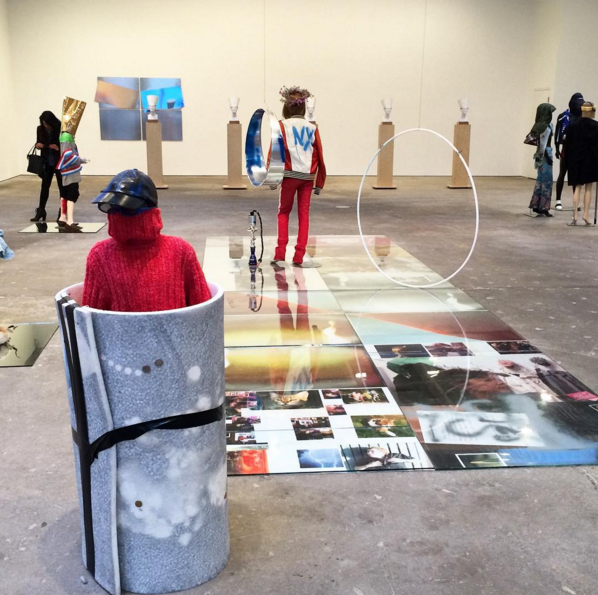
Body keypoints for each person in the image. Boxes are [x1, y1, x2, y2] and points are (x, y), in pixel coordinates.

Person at [82, 169, 212, 312]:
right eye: (112, 208)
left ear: (149, 210)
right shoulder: (100, 256)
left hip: (175, 327)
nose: (117, 214)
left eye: (127, 209)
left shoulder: (180, 251)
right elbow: (90, 317)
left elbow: (204, 310)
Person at [272, 86, 326, 266]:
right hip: (307, 178)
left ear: (286, 106)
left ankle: (280, 253)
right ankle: (299, 256)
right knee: (304, 214)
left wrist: (272, 176)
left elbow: (276, 151)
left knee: (283, 212)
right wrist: (319, 180)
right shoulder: (312, 128)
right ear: (303, 107)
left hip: (289, 175)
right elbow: (318, 153)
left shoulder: (281, 125)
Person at [56, 97, 89, 233]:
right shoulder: (67, 137)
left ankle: (63, 218)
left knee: (65, 193)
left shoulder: (64, 135)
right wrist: (81, 160)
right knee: (72, 193)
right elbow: (67, 155)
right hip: (70, 171)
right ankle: (69, 220)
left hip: (67, 171)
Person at [563, 101, 598, 226]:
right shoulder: (596, 126)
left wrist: (567, 160)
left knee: (577, 187)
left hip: (575, 160)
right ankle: (586, 215)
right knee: (588, 188)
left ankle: (575, 216)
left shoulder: (573, 126)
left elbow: (567, 144)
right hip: (591, 161)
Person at [554, 93, 584, 210]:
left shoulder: (582, 117)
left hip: (578, 150)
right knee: (562, 173)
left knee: (575, 177)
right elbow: (557, 133)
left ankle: (576, 201)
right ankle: (558, 200)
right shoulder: (564, 116)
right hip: (566, 150)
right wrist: (557, 149)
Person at [31, 111, 63, 222]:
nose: (46, 126)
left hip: (59, 162)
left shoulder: (60, 129)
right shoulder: (40, 129)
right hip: (46, 162)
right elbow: (38, 142)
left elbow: (67, 145)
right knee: (44, 187)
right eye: (44, 124)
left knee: (62, 188)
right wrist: (38, 145)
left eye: (47, 124)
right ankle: (41, 210)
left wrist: (58, 147)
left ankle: (62, 212)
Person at [528, 103, 556, 217]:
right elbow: (543, 144)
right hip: (545, 153)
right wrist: (547, 157)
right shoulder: (545, 126)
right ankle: (543, 207)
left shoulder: (538, 125)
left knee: (540, 180)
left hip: (541, 153)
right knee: (547, 181)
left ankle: (536, 205)